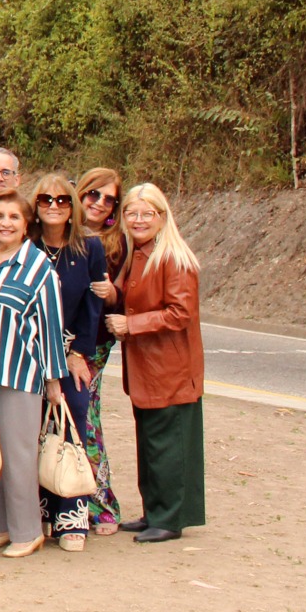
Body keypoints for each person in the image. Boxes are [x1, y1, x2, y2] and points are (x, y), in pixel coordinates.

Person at [0, 189, 66, 560]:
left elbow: (51, 325)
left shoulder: (38, 266)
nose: (5, 223)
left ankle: (27, 531)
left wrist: (54, 380)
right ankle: (1, 526)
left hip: (21, 374)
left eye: (13, 217)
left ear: (26, 225)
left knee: (18, 455)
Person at [106, 184, 205, 544]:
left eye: (147, 213)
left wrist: (131, 325)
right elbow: (124, 295)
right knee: (151, 443)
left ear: (163, 217)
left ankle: (169, 518)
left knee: (169, 445)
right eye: (132, 213)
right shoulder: (139, 254)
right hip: (148, 368)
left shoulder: (174, 258)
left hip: (171, 369)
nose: (139, 220)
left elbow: (180, 313)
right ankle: (155, 511)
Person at [31, 174, 106, 550]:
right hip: (29, 354)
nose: (54, 205)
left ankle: (71, 513)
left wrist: (79, 355)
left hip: (70, 352)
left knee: (72, 424)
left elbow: (94, 305)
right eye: (46, 199)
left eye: (62, 200)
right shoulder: (27, 245)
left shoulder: (89, 247)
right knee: (34, 431)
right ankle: (43, 509)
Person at [76, 167, 125, 534]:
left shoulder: (118, 243)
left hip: (93, 344)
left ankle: (100, 503)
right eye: (94, 194)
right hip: (52, 339)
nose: (100, 203)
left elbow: (131, 294)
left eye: (109, 199)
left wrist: (115, 296)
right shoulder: (59, 229)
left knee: (86, 421)